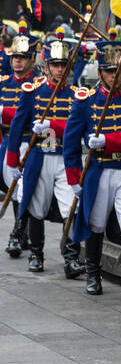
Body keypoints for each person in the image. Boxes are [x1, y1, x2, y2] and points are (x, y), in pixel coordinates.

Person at [64, 29, 121, 301]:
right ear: (100, 73)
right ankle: (92, 274)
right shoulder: (86, 101)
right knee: (95, 222)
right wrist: (74, 178)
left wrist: (111, 141)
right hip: (97, 171)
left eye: (119, 72)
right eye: (110, 72)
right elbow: (69, 140)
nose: (115, 77)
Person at [5, 31, 85, 278]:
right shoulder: (34, 92)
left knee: (70, 206)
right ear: (47, 66)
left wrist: (51, 124)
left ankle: (71, 258)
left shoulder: (76, 96)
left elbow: (78, 130)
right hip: (39, 155)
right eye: (55, 65)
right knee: (36, 206)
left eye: (64, 65)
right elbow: (18, 126)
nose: (60, 70)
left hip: (66, 158)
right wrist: (12, 162)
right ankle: (36, 254)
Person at [1, 26, 37, 258]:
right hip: (6, 143)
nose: (17, 62)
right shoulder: (3, 84)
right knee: (12, 190)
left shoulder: (39, 86)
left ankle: (18, 232)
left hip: (28, 143)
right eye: (15, 57)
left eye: (23, 58)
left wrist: (4, 112)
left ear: (32, 60)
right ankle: (21, 231)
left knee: (23, 190)